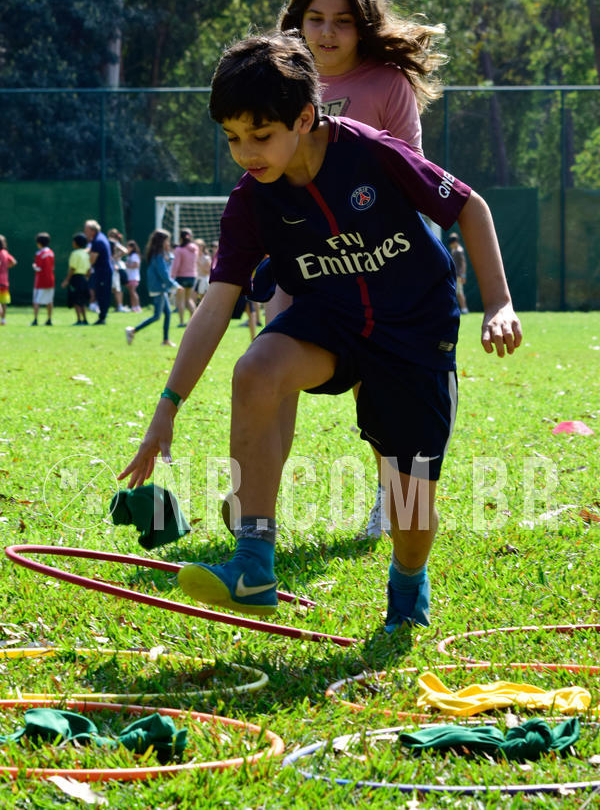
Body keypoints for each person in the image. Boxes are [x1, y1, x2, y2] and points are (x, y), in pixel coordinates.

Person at [119, 32, 522, 632]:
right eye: (232, 137)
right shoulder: (249, 202)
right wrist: (166, 409)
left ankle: (409, 581)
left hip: (413, 330)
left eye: (260, 135)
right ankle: (253, 562)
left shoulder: (372, 154)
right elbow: (214, 306)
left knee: (410, 509)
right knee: (255, 370)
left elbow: (471, 207)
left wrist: (500, 304)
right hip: (329, 320)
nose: (245, 152)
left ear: (305, 117)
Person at [269, 0, 447, 539]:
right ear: (297, 22)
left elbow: (412, 179)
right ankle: (258, 501)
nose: (326, 33)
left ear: (363, 26)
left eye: (342, 21)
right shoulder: (278, 80)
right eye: (315, 18)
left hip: (377, 262)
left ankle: (385, 493)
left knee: (381, 385)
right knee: (266, 367)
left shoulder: (386, 85)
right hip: (302, 256)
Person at [125, 229, 182, 347]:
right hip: (159, 288)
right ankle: (132, 331)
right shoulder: (158, 256)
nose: (168, 243)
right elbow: (164, 274)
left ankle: (165, 340)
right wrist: (175, 285)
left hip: (160, 288)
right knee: (157, 316)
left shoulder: (158, 254)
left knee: (168, 313)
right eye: (167, 241)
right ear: (162, 241)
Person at [84, 220, 113, 324]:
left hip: (103, 272)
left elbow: (92, 259)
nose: (85, 232)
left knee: (102, 294)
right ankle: (102, 316)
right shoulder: (99, 238)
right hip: (103, 271)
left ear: (92, 231)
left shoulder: (98, 241)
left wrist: (86, 268)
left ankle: (102, 318)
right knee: (101, 293)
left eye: (86, 230)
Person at [170, 228, 199, 327]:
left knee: (180, 301)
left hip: (181, 277)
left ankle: (182, 322)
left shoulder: (179, 249)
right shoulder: (195, 248)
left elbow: (176, 265)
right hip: (192, 277)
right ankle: (194, 322)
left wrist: (172, 276)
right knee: (188, 300)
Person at [61, 232, 91, 324]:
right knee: (82, 300)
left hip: (76, 278)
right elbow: (89, 269)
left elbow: (72, 268)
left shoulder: (75, 253)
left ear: (76, 243)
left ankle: (79, 320)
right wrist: (86, 278)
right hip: (83, 278)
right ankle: (85, 319)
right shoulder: (86, 254)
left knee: (76, 300)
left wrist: (66, 280)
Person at [31, 232, 55, 326]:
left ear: (39, 242)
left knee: (36, 301)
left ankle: (35, 320)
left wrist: (34, 266)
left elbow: (38, 268)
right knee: (49, 301)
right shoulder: (51, 253)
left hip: (40, 281)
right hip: (50, 280)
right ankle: (49, 319)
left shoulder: (40, 253)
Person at [107, 228, 129, 312]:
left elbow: (125, 251)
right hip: (111, 267)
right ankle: (118, 306)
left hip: (115, 267)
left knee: (117, 288)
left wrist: (115, 257)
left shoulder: (115, 243)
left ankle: (119, 306)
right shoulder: (110, 243)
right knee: (113, 288)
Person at [448, 232, 469, 314]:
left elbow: (463, 264)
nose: (450, 244)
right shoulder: (454, 250)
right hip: (454, 274)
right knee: (456, 292)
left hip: (459, 275)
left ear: (455, 241)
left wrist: (463, 275)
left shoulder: (459, 250)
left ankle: (464, 309)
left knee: (459, 293)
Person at [0, 235, 17, 325]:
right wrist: (5, 267)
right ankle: (3, 320)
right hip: (5, 281)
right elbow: (14, 262)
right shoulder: (5, 253)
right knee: (3, 301)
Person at [193, 238, 212, 304]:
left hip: (203, 280)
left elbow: (207, 271)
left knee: (202, 301)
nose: (197, 247)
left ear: (203, 247)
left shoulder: (206, 258)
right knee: (193, 299)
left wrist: (198, 262)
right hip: (195, 279)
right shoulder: (193, 256)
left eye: (199, 245)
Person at [125, 240, 142, 312]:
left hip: (134, 277)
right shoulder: (130, 256)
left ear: (132, 247)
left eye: (128, 247)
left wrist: (127, 265)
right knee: (131, 292)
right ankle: (133, 307)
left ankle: (138, 307)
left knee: (133, 292)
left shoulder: (134, 255)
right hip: (129, 276)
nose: (127, 248)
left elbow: (136, 265)